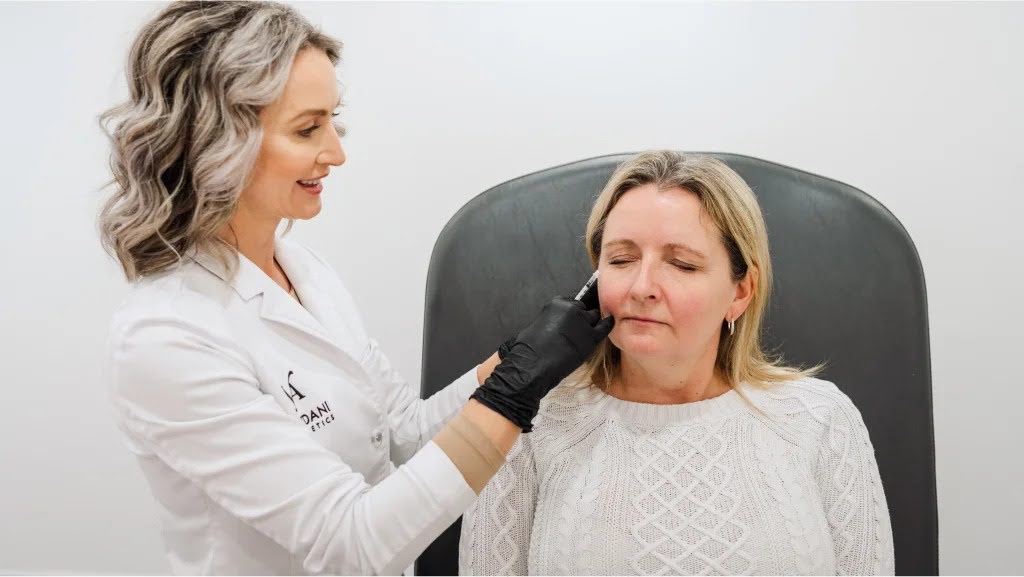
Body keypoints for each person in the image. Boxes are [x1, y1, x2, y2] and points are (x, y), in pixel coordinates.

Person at [99, 2, 612, 574]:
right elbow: (350, 544)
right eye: (307, 128)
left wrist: (518, 360)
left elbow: (401, 435)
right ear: (218, 141)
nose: (337, 152)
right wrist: (512, 396)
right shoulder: (167, 336)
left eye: (331, 120)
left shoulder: (305, 272)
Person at [459, 151, 895, 575]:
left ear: (741, 292)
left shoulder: (820, 420)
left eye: (682, 264)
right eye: (621, 260)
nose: (642, 286)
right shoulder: (525, 422)